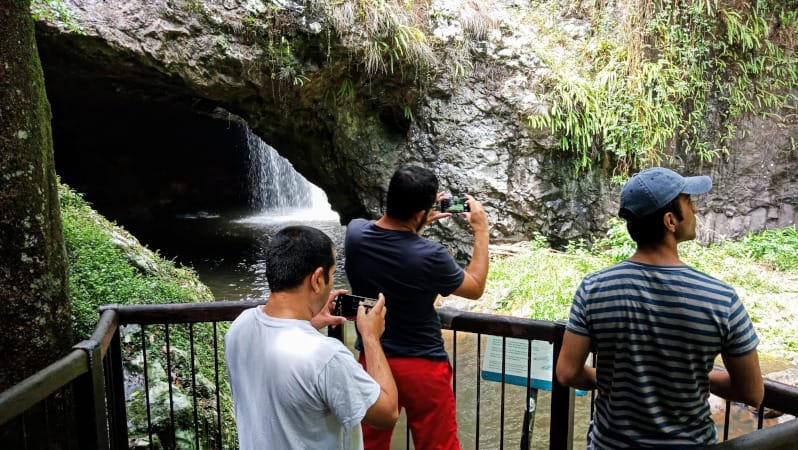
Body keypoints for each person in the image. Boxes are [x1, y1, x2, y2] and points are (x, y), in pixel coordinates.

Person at [556, 167, 764, 448]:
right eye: (689, 203)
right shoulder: (721, 298)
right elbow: (752, 393)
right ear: (670, 221)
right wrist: (699, 376)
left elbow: (568, 373)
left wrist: (608, 378)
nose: (695, 209)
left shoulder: (594, 288)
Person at [344, 165, 490, 449]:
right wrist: (481, 230)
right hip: (423, 366)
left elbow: (382, 228)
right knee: (437, 445)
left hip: (374, 361)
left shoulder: (355, 235)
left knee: (370, 444)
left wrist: (417, 218)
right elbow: (474, 287)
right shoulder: (431, 256)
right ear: (421, 213)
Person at [225, 225, 399, 450]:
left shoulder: (240, 326)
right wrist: (371, 338)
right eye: (332, 275)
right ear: (317, 279)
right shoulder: (326, 357)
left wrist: (309, 323)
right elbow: (387, 413)